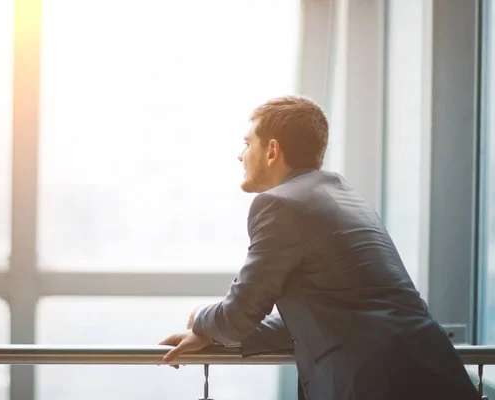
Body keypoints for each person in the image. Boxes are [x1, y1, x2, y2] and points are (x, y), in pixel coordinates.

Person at [159, 96, 480, 399]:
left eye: (247, 143)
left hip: (375, 384)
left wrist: (198, 318)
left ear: (272, 150)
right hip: (433, 370)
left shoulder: (277, 204)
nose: (240, 155)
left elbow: (237, 317)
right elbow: (323, 315)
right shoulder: (344, 196)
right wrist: (213, 335)